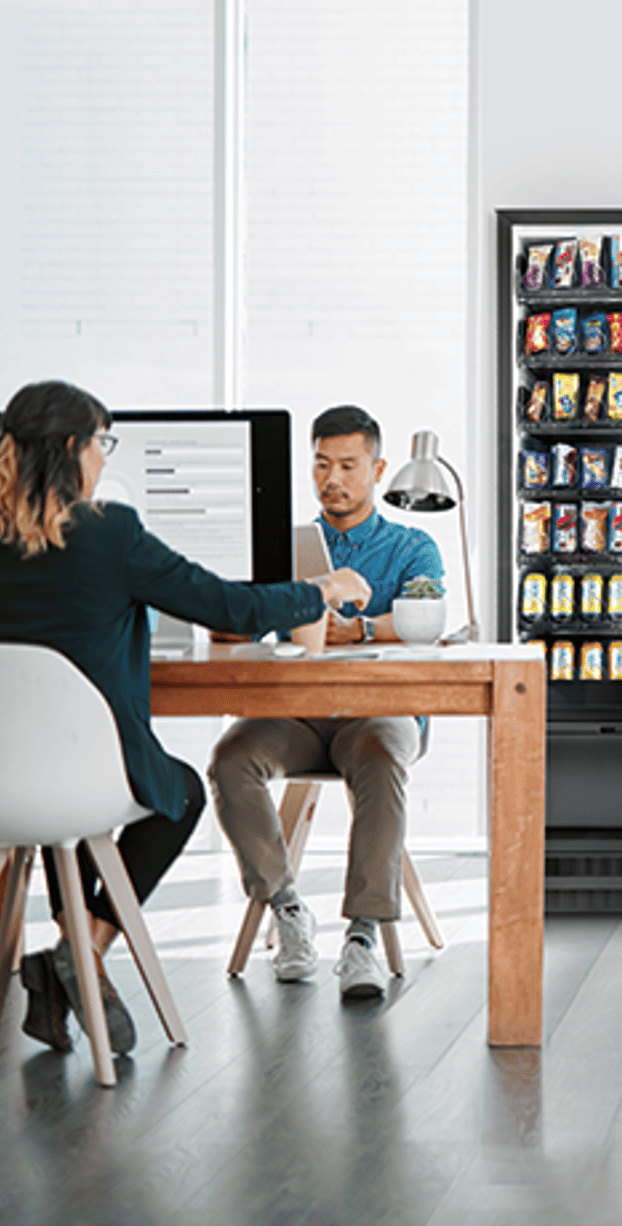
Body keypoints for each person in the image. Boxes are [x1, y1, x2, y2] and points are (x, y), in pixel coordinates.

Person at [0, 380, 368, 1054]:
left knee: (56, 798)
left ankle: (75, 952)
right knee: (180, 792)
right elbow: (229, 607)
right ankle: (82, 947)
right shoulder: (110, 534)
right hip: (83, 778)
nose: (105, 460)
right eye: (103, 444)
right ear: (74, 450)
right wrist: (321, 591)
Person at [208, 405, 443, 1002]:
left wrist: (361, 631)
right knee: (232, 758)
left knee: (383, 756)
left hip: (379, 712)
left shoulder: (412, 547)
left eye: (347, 465)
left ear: (377, 468)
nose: (331, 478)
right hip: (297, 716)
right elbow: (240, 624)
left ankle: (362, 937)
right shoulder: (281, 547)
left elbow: (425, 617)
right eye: (320, 464)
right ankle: (286, 911)